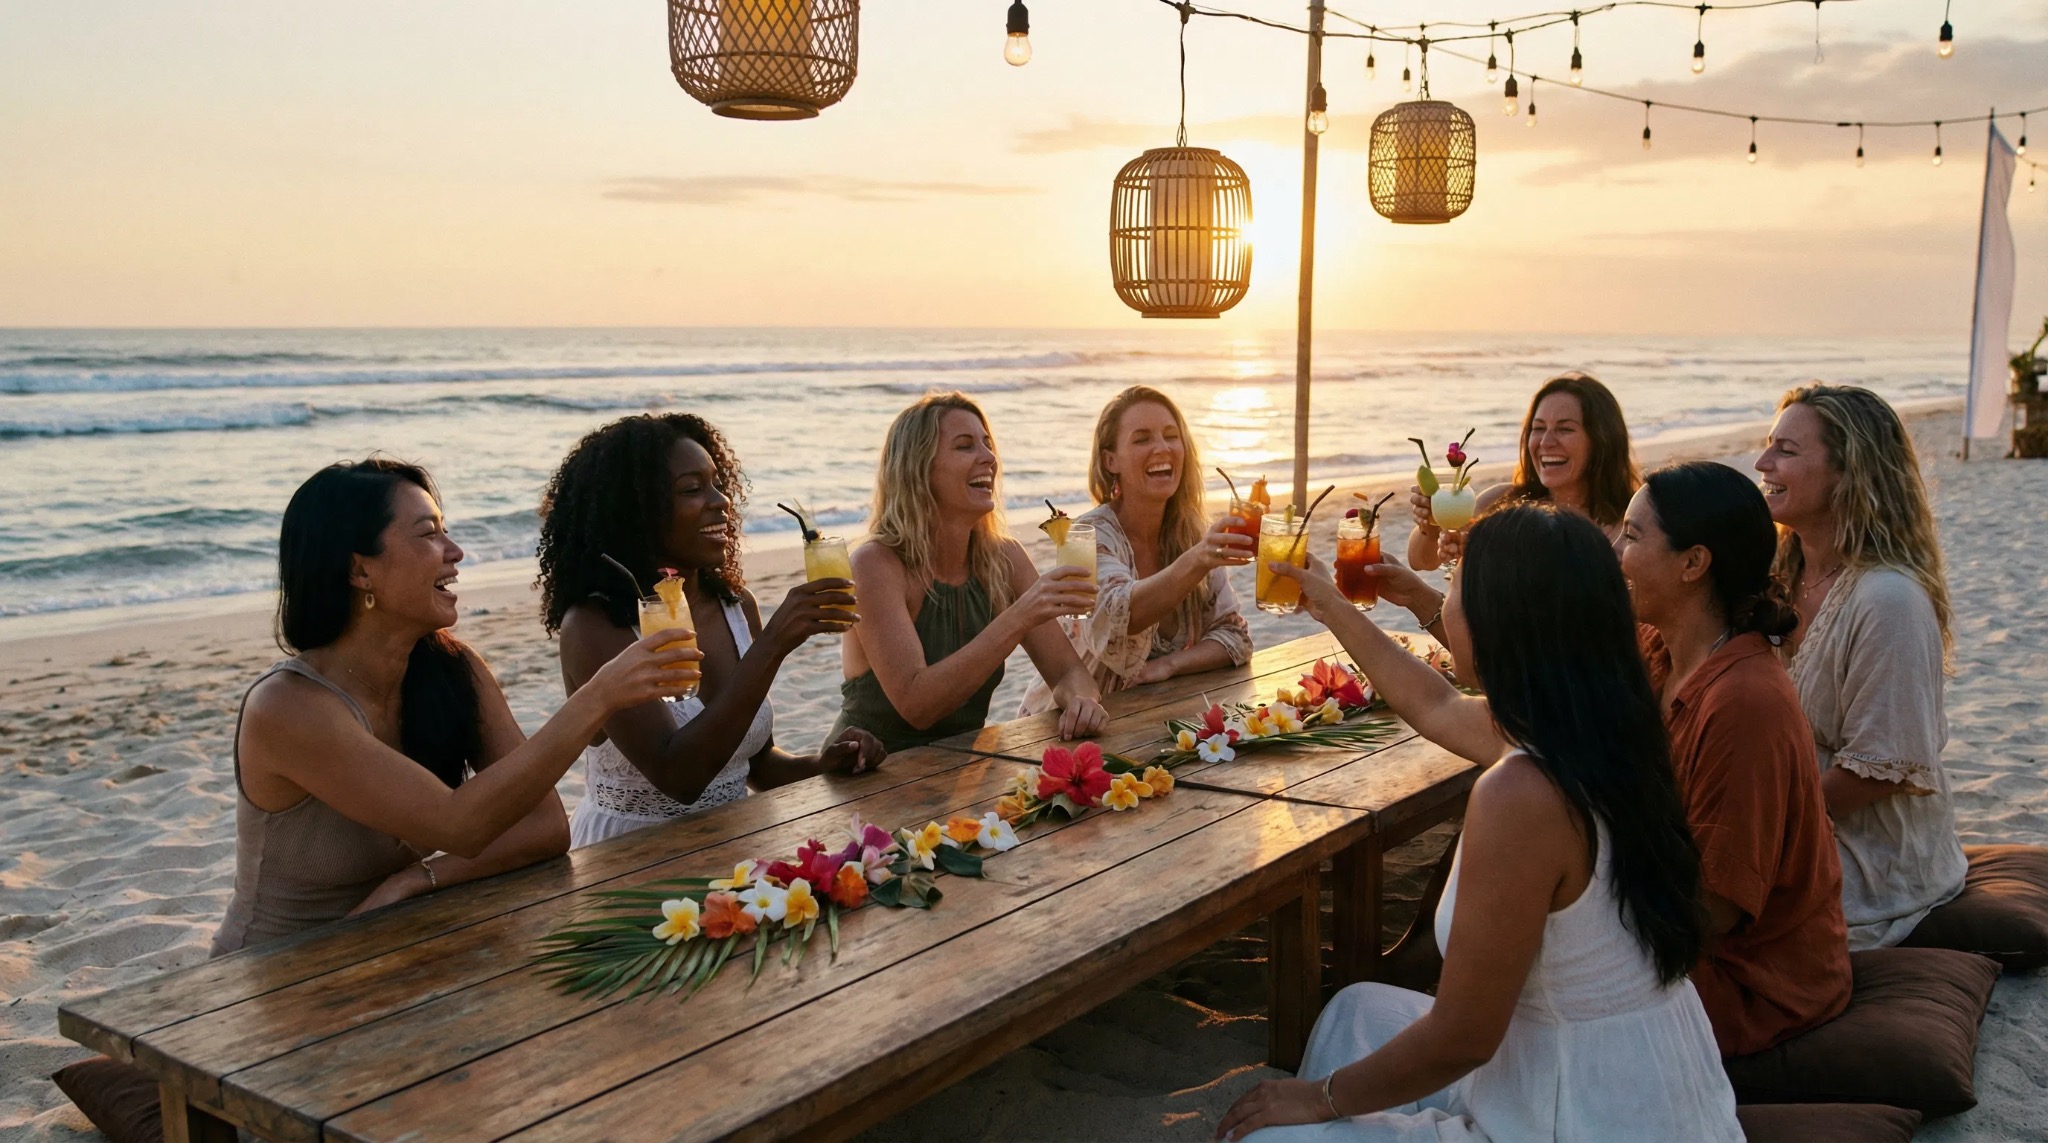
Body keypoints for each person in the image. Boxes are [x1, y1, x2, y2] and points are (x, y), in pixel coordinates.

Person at [1219, 505, 1740, 1141]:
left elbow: (1463, 1037)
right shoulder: (1603, 729)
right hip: (1632, 1076)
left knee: (1272, 1137)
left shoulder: (1521, 794)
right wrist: (1329, 603)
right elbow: (1437, 702)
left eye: (1457, 587)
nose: (1447, 605)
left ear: (1503, 620)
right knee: (1356, 1010)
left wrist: (1319, 1099)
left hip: (1579, 1113)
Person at [215, 458, 697, 955]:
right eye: (428, 536)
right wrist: (599, 695)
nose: (455, 552)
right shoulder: (289, 707)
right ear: (360, 569)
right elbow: (459, 825)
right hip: (281, 972)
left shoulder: (450, 667)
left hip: (399, 945)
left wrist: (417, 879)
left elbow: (544, 827)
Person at [537, 414, 886, 849]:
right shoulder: (595, 628)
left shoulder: (737, 608)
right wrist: (775, 643)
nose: (721, 501)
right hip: (629, 865)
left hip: (734, 849)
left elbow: (755, 766)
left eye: (718, 484)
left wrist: (823, 764)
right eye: (692, 489)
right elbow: (680, 777)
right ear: (635, 510)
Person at [1616, 461, 1852, 1056]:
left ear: (1694, 563)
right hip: (1681, 940)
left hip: (1750, 984)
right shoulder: (1661, 648)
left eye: (1632, 536)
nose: (1616, 552)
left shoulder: (1744, 702)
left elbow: (1713, 909)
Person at [1756, 383, 1965, 949]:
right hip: (1790, 821)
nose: (1762, 463)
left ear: (1849, 473)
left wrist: (1764, 828)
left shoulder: (1887, 599)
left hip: (1870, 861)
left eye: (1787, 451)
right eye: (1767, 444)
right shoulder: (1779, 571)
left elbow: (1881, 769)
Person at [832, 392, 1108, 751]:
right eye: (965, 446)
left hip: (958, 770)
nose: (989, 458)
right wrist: (1020, 616)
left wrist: (1080, 701)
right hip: (866, 776)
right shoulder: (874, 564)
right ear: (919, 469)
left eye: (988, 444)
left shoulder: (1004, 558)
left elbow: (1069, 672)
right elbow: (917, 705)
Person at [1020, 386, 1252, 713]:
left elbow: (1235, 639)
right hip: (1065, 727)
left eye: (1171, 436)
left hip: (1151, 722)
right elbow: (1119, 617)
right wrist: (1199, 560)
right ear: (1110, 460)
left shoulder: (1194, 535)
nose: (1162, 447)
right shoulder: (1086, 536)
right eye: (1142, 439)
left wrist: (1169, 665)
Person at [1408, 372, 1640, 571]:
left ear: (1602, 440)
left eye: (1565, 429)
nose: (1546, 442)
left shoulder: (1628, 527)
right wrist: (1432, 524)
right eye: (1538, 428)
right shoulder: (1501, 503)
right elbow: (1420, 561)